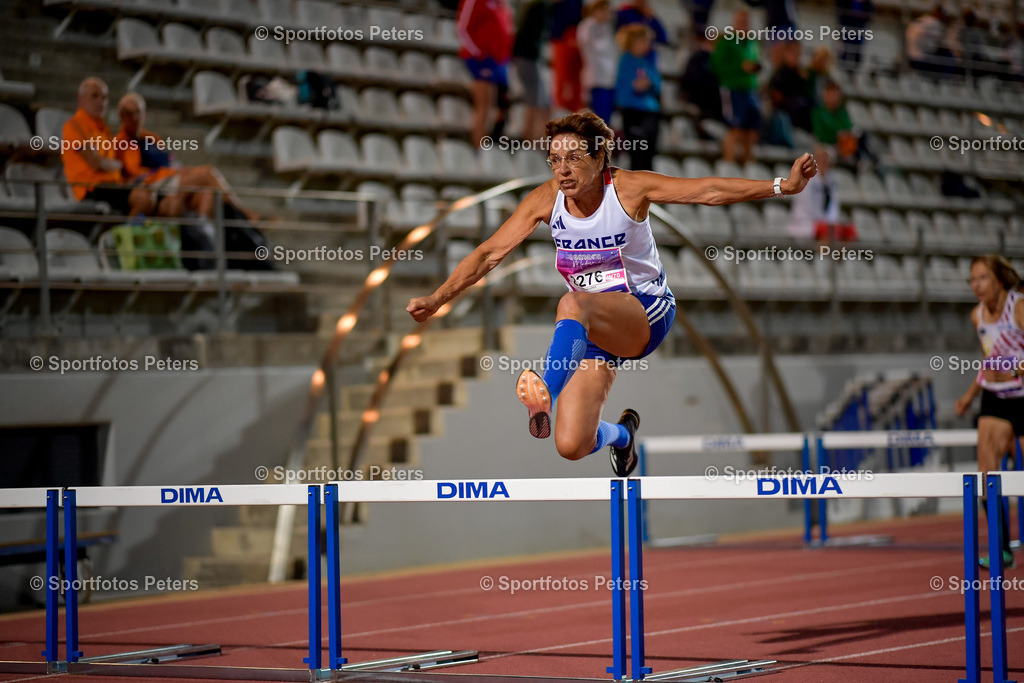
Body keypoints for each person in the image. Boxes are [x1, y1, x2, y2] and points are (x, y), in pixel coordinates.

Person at [407, 111, 817, 475]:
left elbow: (708, 189)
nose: (562, 170)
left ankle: (544, 391)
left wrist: (784, 185)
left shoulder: (629, 189)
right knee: (571, 444)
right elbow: (488, 253)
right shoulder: (545, 200)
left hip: (645, 311)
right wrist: (437, 298)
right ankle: (622, 435)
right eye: (554, 160)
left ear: (600, 157)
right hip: (591, 327)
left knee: (571, 302)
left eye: (573, 158)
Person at [955, 255, 1024, 570]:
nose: (976, 286)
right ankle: (1001, 550)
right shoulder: (977, 316)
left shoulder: (1018, 307)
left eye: (982, 278)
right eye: (972, 280)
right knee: (986, 474)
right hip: (995, 398)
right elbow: (989, 359)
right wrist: (970, 395)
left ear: (999, 280)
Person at [114, 93, 259, 223]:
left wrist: (179, 171)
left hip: (171, 179)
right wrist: (169, 173)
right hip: (155, 185)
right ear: (121, 116)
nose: (135, 118)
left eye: (138, 113)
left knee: (206, 194)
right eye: (129, 114)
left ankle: (205, 239)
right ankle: (247, 216)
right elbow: (134, 174)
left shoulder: (152, 138)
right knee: (208, 173)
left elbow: (171, 161)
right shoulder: (121, 142)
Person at [60, 77, 153, 217]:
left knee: (157, 197)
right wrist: (116, 165)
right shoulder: (74, 126)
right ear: (81, 99)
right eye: (95, 96)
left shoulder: (103, 129)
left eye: (104, 98)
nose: (101, 102)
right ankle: (127, 232)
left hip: (112, 185)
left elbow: (107, 163)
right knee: (143, 198)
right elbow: (96, 163)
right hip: (91, 188)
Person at [456, 0, 514, 145]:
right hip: (481, 59)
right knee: (483, 105)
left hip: (497, 60)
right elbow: (462, 28)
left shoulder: (500, 4)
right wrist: (478, 52)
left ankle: (485, 146)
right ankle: (478, 147)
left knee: (493, 106)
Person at [712, 10, 762, 164]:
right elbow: (716, 66)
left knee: (751, 132)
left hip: (751, 91)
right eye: (740, 21)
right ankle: (729, 167)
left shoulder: (752, 43)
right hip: (733, 89)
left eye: (746, 22)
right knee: (734, 129)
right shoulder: (727, 41)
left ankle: (748, 168)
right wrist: (740, 67)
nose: (744, 25)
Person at [615, 24, 661, 171]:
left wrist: (650, 84)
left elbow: (657, 84)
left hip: (650, 111)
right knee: (638, 152)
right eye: (643, 41)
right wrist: (636, 86)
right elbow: (623, 88)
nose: (646, 45)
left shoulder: (648, 61)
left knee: (649, 152)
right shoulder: (626, 60)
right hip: (633, 111)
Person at [511, 0, 551, 141]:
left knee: (541, 102)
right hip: (527, 58)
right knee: (535, 102)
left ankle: (535, 140)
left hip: (528, 58)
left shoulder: (537, 6)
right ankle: (531, 141)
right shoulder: (538, 6)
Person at [577, 0, 617, 124]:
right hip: (595, 77)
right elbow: (598, 47)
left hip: (609, 79)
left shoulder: (607, 27)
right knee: (597, 117)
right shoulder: (588, 26)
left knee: (607, 118)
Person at [550, 0, 584, 113]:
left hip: (576, 35)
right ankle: (560, 106)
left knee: (576, 75)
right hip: (561, 39)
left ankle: (575, 108)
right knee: (562, 74)